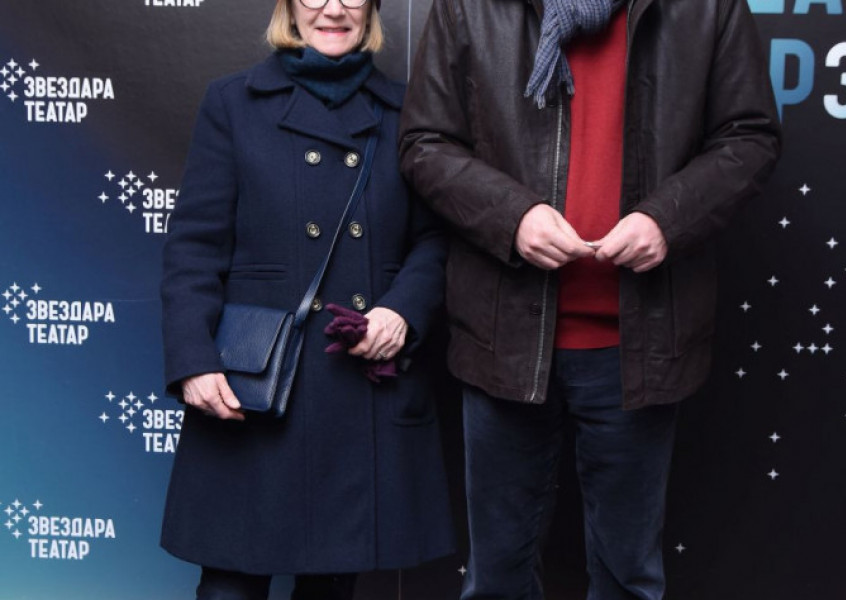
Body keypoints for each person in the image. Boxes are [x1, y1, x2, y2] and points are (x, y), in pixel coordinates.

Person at [399, 0, 781, 599]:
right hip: (505, 336)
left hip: (636, 343)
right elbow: (425, 142)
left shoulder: (708, 8)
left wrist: (667, 220)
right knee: (497, 579)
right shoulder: (469, 6)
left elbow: (750, 136)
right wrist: (512, 216)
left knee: (628, 576)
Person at [159, 0, 454, 598]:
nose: (333, 9)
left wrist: (402, 309)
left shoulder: (407, 111)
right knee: (230, 586)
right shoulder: (232, 103)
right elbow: (195, 246)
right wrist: (193, 360)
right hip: (257, 389)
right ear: (289, 6)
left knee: (330, 586)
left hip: (354, 384)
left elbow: (436, 240)